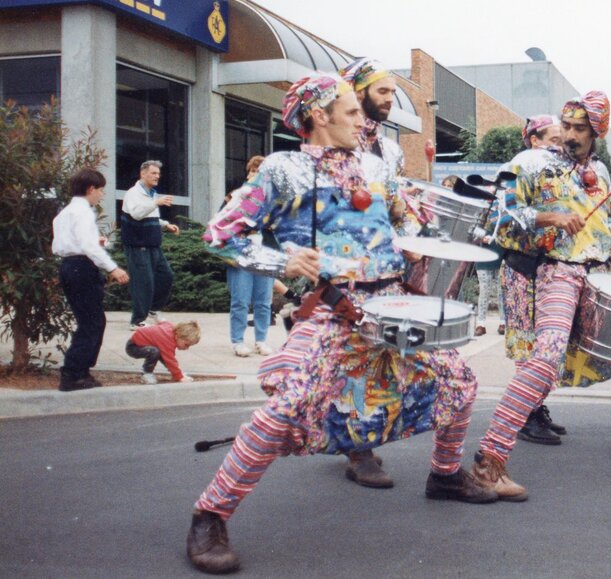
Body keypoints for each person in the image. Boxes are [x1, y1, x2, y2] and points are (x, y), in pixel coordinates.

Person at [187, 74, 491, 575]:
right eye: (351, 111)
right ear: (319, 115)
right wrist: (280, 260)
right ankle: (210, 513)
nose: (362, 119)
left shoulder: (375, 166)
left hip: (394, 303)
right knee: (284, 413)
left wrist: (420, 239)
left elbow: (406, 218)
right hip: (336, 308)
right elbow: (220, 234)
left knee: (461, 383)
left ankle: (445, 476)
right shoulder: (283, 170)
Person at [471, 91, 611, 501]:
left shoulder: (600, 172)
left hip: (598, 273)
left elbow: (606, 218)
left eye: (578, 129)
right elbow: (495, 214)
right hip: (556, 272)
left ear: (596, 132)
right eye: (565, 126)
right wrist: (551, 217)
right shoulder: (530, 163)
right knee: (546, 355)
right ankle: (489, 461)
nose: (568, 135)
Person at [338, 57, 422, 489]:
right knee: (358, 360)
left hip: (387, 268)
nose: (390, 100)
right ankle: (358, 448)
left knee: (391, 358)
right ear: (358, 92)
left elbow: (399, 205)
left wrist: (416, 239)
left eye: (393, 92)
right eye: (383, 92)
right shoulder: (338, 143)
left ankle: (358, 436)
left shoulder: (390, 149)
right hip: (348, 272)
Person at [498, 114, 567, 444]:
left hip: (551, 268)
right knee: (527, 344)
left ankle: (535, 407)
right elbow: (508, 211)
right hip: (523, 267)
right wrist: (554, 217)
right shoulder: (519, 166)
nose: (560, 146)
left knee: (547, 345)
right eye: (553, 140)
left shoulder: (561, 171)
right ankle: (525, 415)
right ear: (534, 140)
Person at [51, 168, 130, 392]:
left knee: (91, 321)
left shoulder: (64, 213)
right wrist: (113, 268)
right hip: (82, 268)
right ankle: (73, 374)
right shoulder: (84, 212)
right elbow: (87, 247)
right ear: (90, 189)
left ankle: (80, 371)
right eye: (100, 190)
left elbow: (62, 245)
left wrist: (95, 244)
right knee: (92, 322)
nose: (101, 195)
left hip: (69, 267)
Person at [222, 156, 275, 358]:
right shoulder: (234, 197)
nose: (255, 175)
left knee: (263, 301)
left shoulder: (272, 201)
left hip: (264, 255)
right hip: (241, 255)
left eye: (260, 172)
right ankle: (238, 341)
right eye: (253, 171)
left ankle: (261, 340)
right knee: (240, 300)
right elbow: (221, 225)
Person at [121, 160, 179, 330]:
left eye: (158, 174)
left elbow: (150, 216)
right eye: (153, 173)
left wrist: (165, 224)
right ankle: (137, 320)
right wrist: (156, 203)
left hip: (153, 245)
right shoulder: (133, 193)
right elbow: (137, 214)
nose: (157, 176)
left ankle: (153, 310)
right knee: (143, 282)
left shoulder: (150, 193)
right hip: (137, 245)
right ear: (143, 174)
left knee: (166, 276)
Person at [126, 320, 200, 384]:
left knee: (162, 352)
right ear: (178, 336)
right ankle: (147, 373)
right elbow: (170, 361)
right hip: (133, 347)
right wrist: (179, 377)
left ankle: (176, 373)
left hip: (138, 343)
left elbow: (164, 322)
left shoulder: (171, 328)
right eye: (186, 344)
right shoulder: (167, 341)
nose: (186, 348)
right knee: (155, 352)